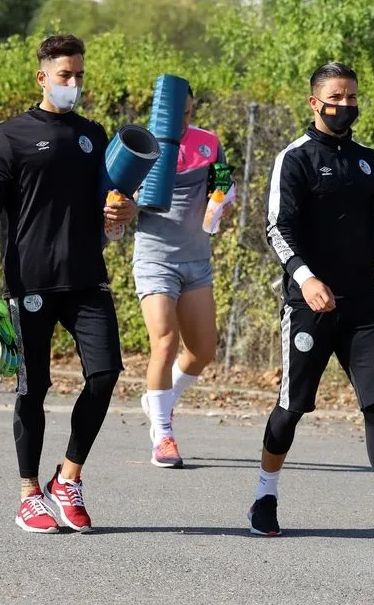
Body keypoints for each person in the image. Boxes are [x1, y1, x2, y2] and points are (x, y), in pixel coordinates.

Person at [247, 62, 374, 550]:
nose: (347, 105)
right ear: (315, 102)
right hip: (310, 304)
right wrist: (306, 278)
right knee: (292, 407)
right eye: (338, 97)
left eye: (353, 97)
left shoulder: (368, 161)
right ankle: (264, 496)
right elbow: (277, 228)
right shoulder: (293, 159)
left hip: (362, 303)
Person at [0, 34, 137, 534]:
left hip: (86, 276)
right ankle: (28, 495)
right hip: (30, 282)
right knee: (33, 388)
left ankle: (67, 477)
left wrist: (123, 212)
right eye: (65, 75)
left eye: (79, 75)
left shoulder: (94, 135)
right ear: (42, 77)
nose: (74, 84)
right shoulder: (9, 136)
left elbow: (111, 207)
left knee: (105, 374)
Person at [134, 85, 233, 468]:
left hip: (196, 260)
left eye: (189, 112)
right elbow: (115, 195)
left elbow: (223, 182)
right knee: (165, 340)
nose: (184, 120)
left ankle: (160, 399)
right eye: (177, 114)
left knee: (203, 351)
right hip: (155, 258)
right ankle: (163, 434)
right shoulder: (141, 144)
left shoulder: (209, 143)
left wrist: (221, 199)